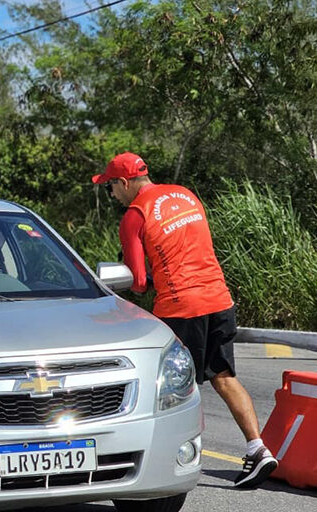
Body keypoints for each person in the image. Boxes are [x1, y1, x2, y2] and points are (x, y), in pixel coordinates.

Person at [93, 151, 277, 488]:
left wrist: (140, 277)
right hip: (219, 298)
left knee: (172, 385)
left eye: (111, 188)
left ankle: (170, 457)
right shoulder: (185, 195)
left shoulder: (134, 216)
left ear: (124, 182)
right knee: (223, 376)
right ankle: (258, 448)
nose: (112, 195)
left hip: (180, 306)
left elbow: (134, 281)